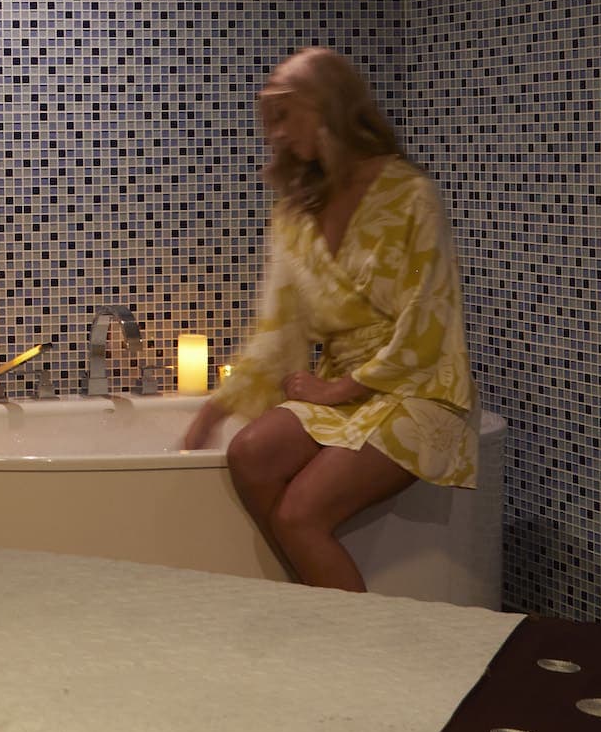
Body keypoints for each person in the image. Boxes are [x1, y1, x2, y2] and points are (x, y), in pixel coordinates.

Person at [181, 48, 475, 591]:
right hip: (339, 389)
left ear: (328, 109)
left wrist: (340, 388)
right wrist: (214, 409)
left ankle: (354, 649)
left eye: (285, 116)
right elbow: (279, 327)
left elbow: (429, 321)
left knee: (299, 515)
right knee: (250, 454)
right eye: (269, 120)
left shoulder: (410, 195)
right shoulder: (296, 210)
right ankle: (316, 595)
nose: (276, 135)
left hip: (417, 387)